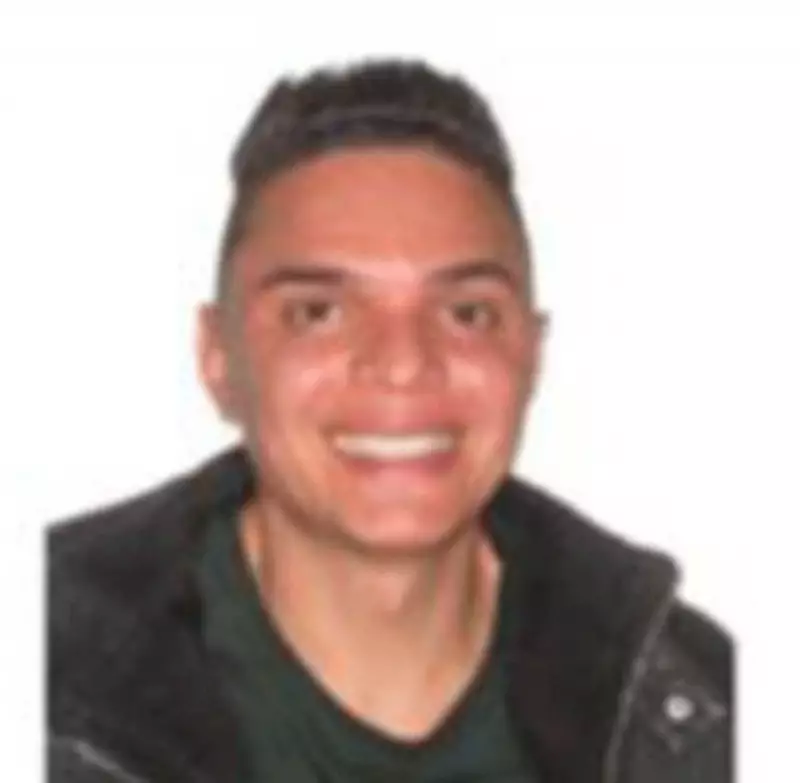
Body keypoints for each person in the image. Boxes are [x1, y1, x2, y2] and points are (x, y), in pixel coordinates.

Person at [47, 59, 733, 783]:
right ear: (219, 359)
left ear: (531, 357)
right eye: (318, 312)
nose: (403, 363)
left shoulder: (706, 709)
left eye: (467, 313)